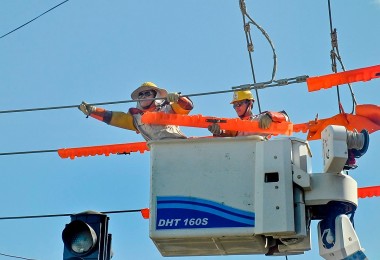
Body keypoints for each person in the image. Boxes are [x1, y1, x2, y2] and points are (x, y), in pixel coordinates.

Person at [79, 82, 194, 141]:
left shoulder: (169, 108)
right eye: (141, 94)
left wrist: (178, 98)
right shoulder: (136, 117)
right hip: (159, 151)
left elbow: (187, 106)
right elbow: (114, 118)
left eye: (147, 93)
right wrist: (92, 111)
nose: (143, 96)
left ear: (156, 95)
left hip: (179, 145)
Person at [208, 90, 288, 138]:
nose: (237, 108)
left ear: (249, 103)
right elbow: (227, 135)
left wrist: (271, 116)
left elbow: (285, 118)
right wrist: (219, 132)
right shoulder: (236, 125)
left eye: (239, 104)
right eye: (235, 105)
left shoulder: (260, 119)